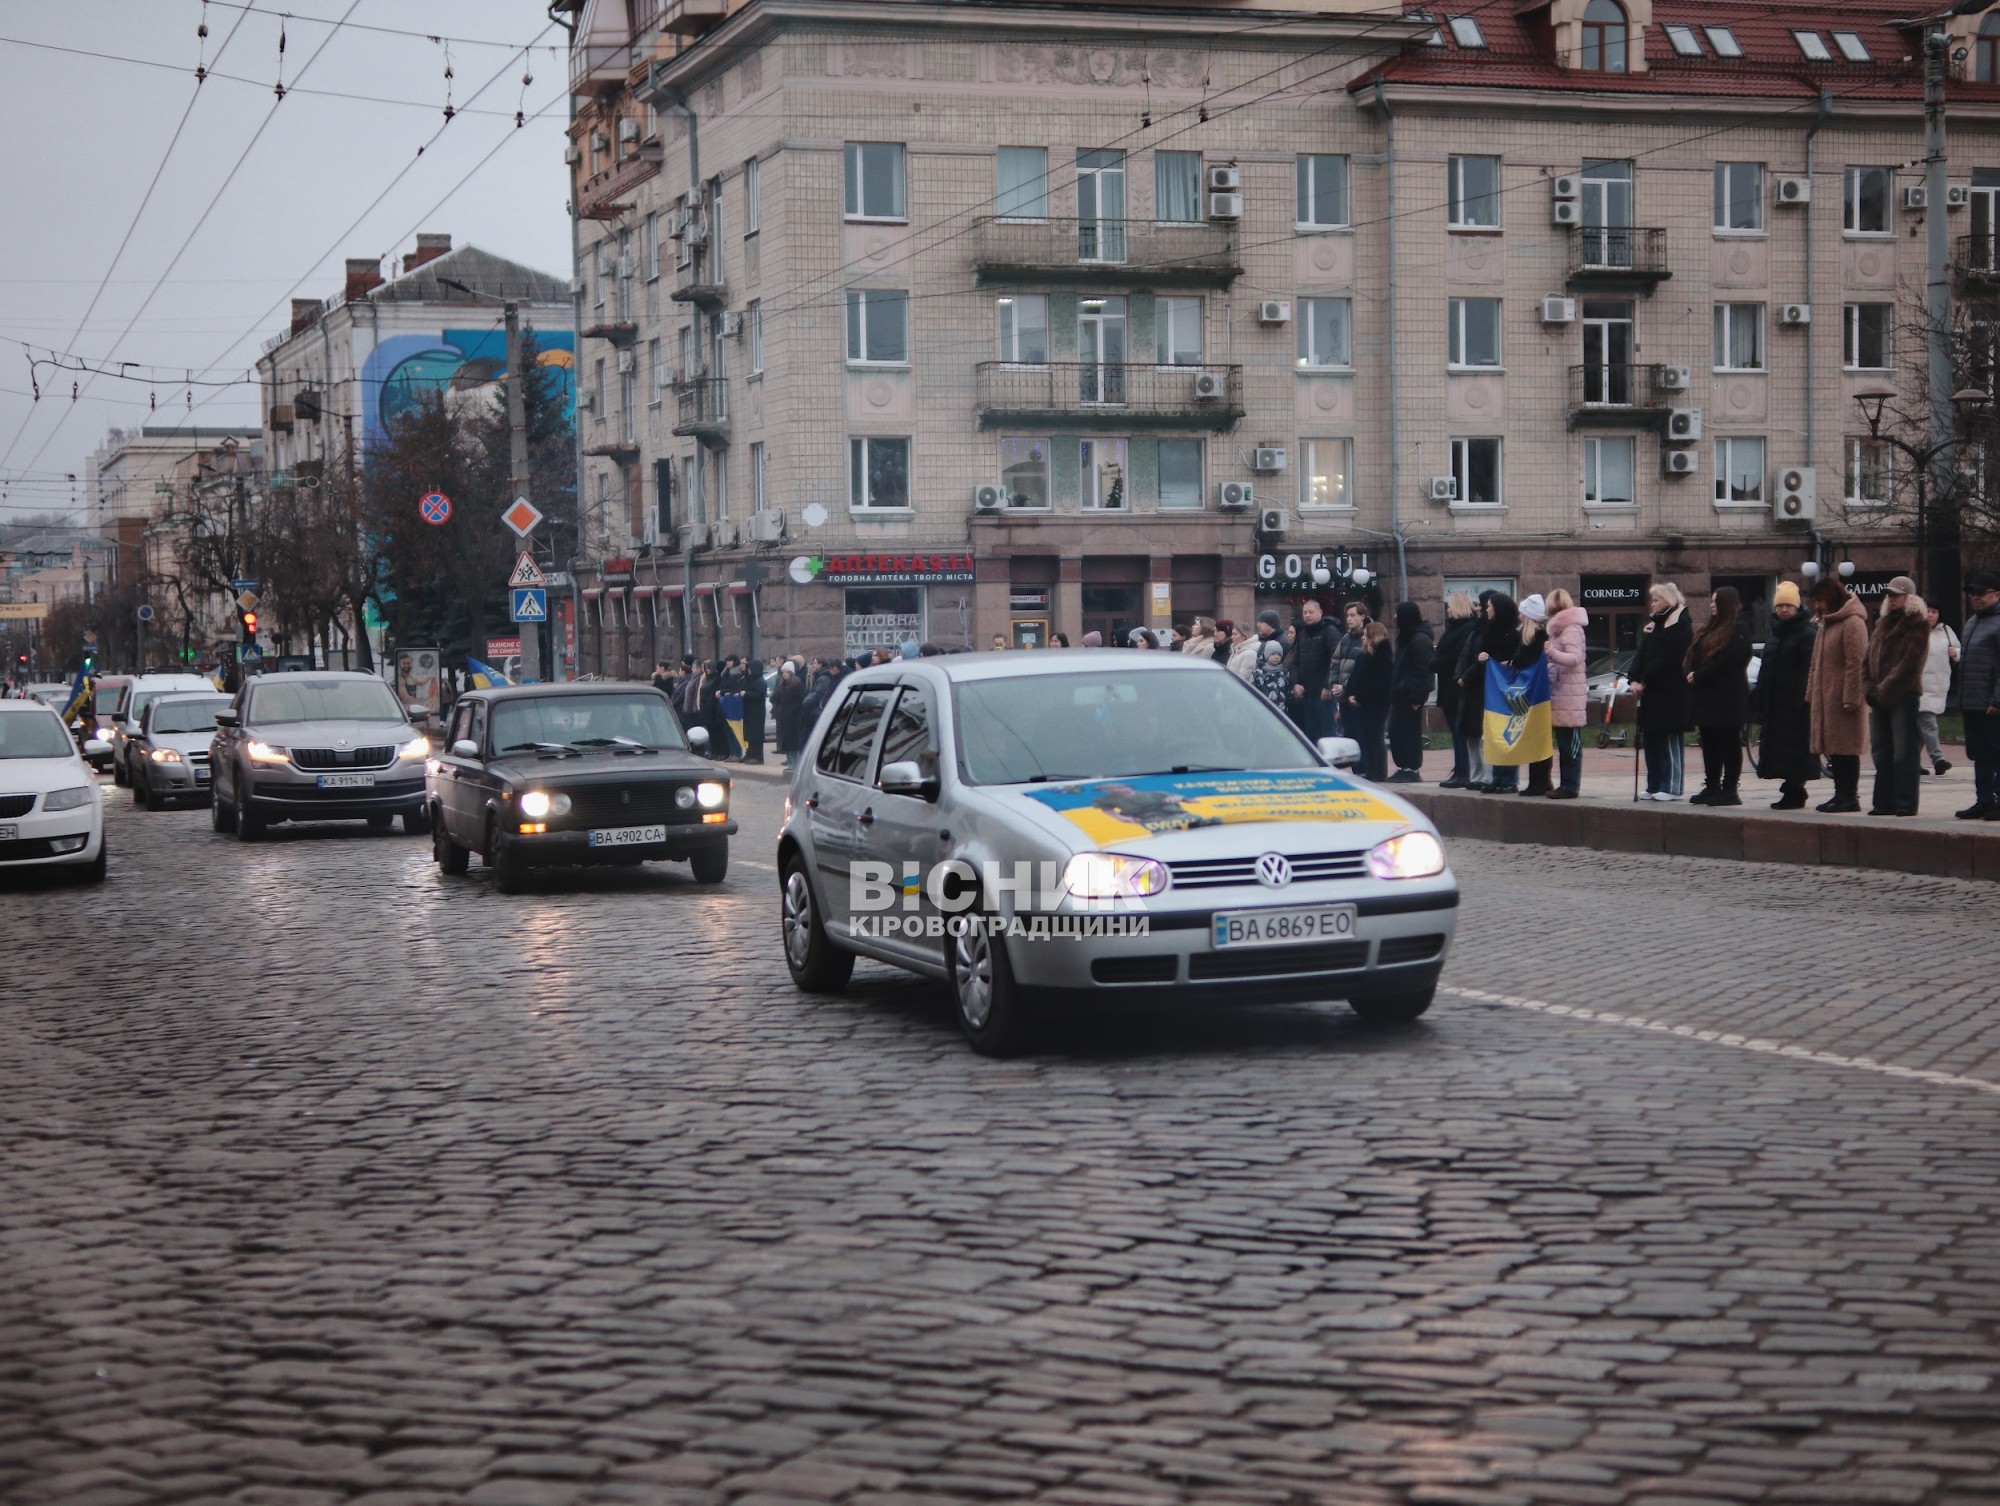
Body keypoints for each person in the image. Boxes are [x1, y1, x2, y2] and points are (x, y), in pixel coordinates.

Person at [1862, 578, 1931, 817]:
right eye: (1889, 596)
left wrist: (1882, 691)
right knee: (1881, 750)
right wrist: (1868, 688)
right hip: (1878, 696)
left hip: (1903, 695)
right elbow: (1867, 658)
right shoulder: (1881, 623)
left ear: (1909, 598)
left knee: (1904, 751)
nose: (1892, 599)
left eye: (1897, 595)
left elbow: (1909, 665)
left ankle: (1905, 802)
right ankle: (1883, 802)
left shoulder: (1917, 624)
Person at [1684, 585, 1753, 806]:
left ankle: (1730, 789)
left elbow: (1731, 660)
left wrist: (1701, 675)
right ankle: (1712, 786)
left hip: (1728, 699)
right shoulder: (1709, 628)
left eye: (1715, 601)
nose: (1712, 604)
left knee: (1729, 743)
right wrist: (1689, 672)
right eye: (1711, 601)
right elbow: (1693, 654)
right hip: (1706, 698)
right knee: (1710, 742)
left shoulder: (1739, 628)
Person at [1754, 581, 1819, 810]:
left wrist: (1801, 700)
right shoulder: (1775, 635)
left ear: (1797, 606)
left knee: (1796, 750)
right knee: (1780, 750)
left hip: (1795, 704)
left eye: (1788, 605)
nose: (1783, 610)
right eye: (1780, 605)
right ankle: (1790, 790)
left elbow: (1808, 670)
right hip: (1775, 703)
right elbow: (1766, 669)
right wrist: (1760, 698)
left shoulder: (1807, 634)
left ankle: (1795, 790)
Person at [1806, 578, 1869, 813]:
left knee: (1846, 749)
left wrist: (1852, 697)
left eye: (1820, 600)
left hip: (1843, 700)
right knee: (1835, 749)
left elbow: (1857, 662)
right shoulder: (1827, 624)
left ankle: (1849, 797)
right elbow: (1816, 663)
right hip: (1828, 698)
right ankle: (1839, 794)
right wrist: (1812, 692)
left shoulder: (1852, 623)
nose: (1817, 606)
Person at [1628, 582, 1694, 801]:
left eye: (1656, 599)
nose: (1653, 604)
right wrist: (1634, 678)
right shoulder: (1655, 626)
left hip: (1671, 693)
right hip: (1652, 695)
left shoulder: (1681, 625)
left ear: (1668, 600)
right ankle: (1654, 784)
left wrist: (1644, 680)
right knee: (1651, 740)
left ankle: (1672, 787)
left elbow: (1669, 658)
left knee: (1669, 741)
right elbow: (1642, 654)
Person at [1471, 592, 1525, 792]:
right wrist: (1482, 657)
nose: (1487, 609)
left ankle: (1509, 779)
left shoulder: (1514, 632)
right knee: (1493, 732)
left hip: (1508, 688)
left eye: (1490, 606)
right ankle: (1496, 777)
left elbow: (1517, 657)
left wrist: (1508, 663)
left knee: (1507, 732)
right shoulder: (1489, 629)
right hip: (1491, 686)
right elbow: (1482, 652)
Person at [1959, 572, 2000, 819]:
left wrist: (1997, 700)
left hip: (1991, 704)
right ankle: (1983, 800)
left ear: (1996, 595)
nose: (1975, 598)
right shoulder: (1973, 622)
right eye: (1973, 594)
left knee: (1997, 753)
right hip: (1973, 703)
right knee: (1979, 754)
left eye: (1981, 593)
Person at [1544, 589, 1589, 799]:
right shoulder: (1558, 630)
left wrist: (1551, 653)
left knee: (1570, 744)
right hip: (1562, 693)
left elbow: (1575, 658)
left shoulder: (1570, 629)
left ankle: (1570, 785)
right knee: (1564, 743)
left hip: (1568, 693)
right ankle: (1566, 784)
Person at [1434, 593, 1478, 788]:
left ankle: (1464, 769)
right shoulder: (1454, 628)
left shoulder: (1466, 629)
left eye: (1450, 606)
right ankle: (1460, 767)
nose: (1448, 610)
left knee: (1460, 731)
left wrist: (1435, 662)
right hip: (1448, 685)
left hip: (1456, 686)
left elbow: (1453, 657)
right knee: (1455, 730)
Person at [1387, 602, 1433, 783]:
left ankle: (1411, 768)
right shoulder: (1407, 638)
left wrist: (1416, 698)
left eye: (1398, 614)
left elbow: (1423, 672)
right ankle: (1403, 767)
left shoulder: (1420, 640)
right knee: (1397, 732)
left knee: (1409, 733)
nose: (1395, 618)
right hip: (1400, 694)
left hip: (1410, 696)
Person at [1453, 591, 1495, 791]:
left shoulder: (1492, 631)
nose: (1478, 609)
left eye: (1483, 605)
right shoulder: (1475, 630)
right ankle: (1475, 775)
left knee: (1483, 736)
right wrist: (1459, 676)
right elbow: (1465, 655)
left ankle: (1487, 777)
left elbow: (1483, 660)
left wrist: (1465, 676)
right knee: (1471, 734)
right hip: (1470, 689)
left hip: (1482, 688)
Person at [1344, 620, 1394, 780]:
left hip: (1376, 704)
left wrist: (1360, 697)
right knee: (1365, 738)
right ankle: (1369, 769)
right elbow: (1355, 677)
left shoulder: (1383, 655)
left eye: (1366, 636)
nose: (1363, 639)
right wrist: (1350, 693)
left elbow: (1378, 683)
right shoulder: (1364, 654)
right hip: (1361, 704)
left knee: (1375, 737)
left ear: (1373, 637)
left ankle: (1378, 772)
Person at [1515, 595, 1554, 796]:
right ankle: (1538, 780)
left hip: (1536, 695)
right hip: (1534, 693)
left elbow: (1523, 661)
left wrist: (1513, 663)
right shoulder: (1534, 637)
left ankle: (1540, 781)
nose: (1519, 616)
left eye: (1522, 613)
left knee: (1538, 738)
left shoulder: (1536, 639)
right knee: (1534, 737)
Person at [1918, 603, 1959, 778]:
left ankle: (1911, 761)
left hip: (1939, 684)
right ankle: (1938, 759)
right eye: (1928, 611)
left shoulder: (1946, 631)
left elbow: (1958, 650)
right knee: (1929, 723)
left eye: (1934, 611)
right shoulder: (1915, 630)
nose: (1931, 615)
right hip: (1919, 686)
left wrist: (1955, 652)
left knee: (1919, 727)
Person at [1289, 599, 1339, 739]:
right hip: (1307, 693)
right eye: (1305, 612)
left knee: (1327, 732)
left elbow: (1335, 660)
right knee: (1311, 733)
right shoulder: (1303, 634)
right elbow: (1295, 662)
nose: (1307, 615)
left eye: (1311, 612)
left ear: (1320, 612)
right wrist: (1296, 682)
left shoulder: (1330, 631)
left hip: (1324, 694)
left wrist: (1327, 685)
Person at [1330, 601, 1369, 737]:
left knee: (1361, 735)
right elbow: (1335, 661)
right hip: (1343, 698)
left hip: (1357, 697)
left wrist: (1346, 687)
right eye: (1347, 616)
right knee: (1347, 735)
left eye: (1352, 615)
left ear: (1362, 616)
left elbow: (1364, 671)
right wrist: (1334, 683)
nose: (1349, 619)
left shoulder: (1367, 639)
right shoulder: (1345, 638)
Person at [773, 661, 805, 766]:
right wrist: (778, 710)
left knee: (793, 743)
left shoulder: (797, 685)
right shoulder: (782, 684)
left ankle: (795, 764)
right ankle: (790, 762)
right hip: (783, 717)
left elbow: (800, 701)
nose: (785, 674)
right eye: (783, 672)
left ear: (791, 673)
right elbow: (777, 700)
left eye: (787, 672)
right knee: (786, 742)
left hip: (793, 718)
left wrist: (791, 711)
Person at [1250, 638, 1291, 712]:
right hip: (1263, 711)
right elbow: (1253, 693)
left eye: (1279, 654)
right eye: (1273, 654)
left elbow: (1288, 691)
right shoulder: (1257, 673)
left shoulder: (1284, 673)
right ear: (1266, 655)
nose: (1276, 657)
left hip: (1281, 711)